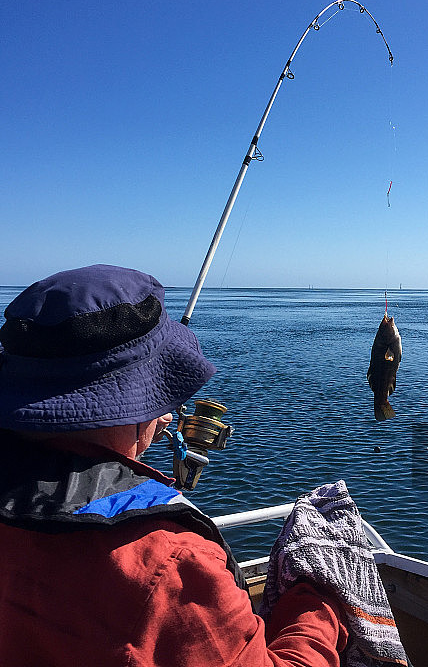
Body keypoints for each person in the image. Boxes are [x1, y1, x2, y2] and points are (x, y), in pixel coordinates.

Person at [0, 264, 348, 666]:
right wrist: (317, 601)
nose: (167, 416)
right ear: (116, 405)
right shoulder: (174, 563)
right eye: (155, 396)